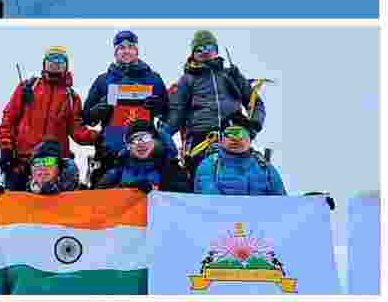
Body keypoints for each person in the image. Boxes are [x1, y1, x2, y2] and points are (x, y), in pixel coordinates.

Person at [163, 30, 267, 183]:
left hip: (234, 135)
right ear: (193, 54)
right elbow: (176, 114)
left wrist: (253, 126)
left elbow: (256, 104)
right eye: (199, 49)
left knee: (242, 179)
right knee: (202, 181)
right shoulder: (187, 80)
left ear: (216, 50)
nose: (205, 52)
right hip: (201, 141)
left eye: (209, 47)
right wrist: (160, 135)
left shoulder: (231, 75)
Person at [0, 46, 97, 191]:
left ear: (66, 66)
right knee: (18, 200)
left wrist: (99, 137)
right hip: (23, 160)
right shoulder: (28, 87)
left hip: (54, 164)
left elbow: (78, 131)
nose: (55, 64)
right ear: (44, 64)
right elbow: (8, 119)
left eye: (60, 61)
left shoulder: (71, 97)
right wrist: (6, 149)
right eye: (51, 60)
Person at [82, 30, 168, 186]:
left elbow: (166, 112)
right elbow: (87, 117)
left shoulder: (153, 78)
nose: (126, 51)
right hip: (110, 150)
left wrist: (157, 106)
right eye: (121, 48)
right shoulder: (103, 80)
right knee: (105, 191)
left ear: (137, 51)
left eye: (130, 47)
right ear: (115, 52)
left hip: (144, 149)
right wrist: (101, 109)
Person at [194, 111, 285, 196]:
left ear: (250, 139)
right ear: (221, 139)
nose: (235, 139)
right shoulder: (209, 166)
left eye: (241, 133)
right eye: (229, 133)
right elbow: (207, 200)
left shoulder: (265, 167)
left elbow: (281, 201)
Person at [96, 120, 191, 193]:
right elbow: (99, 194)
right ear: (128, 146)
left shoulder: (171, 167)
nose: (140, 144)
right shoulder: (118, 168)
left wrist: (155, 188)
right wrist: (123, 189)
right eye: (134, 140)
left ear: (156, 142)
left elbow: (184, 196)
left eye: (145, 138)